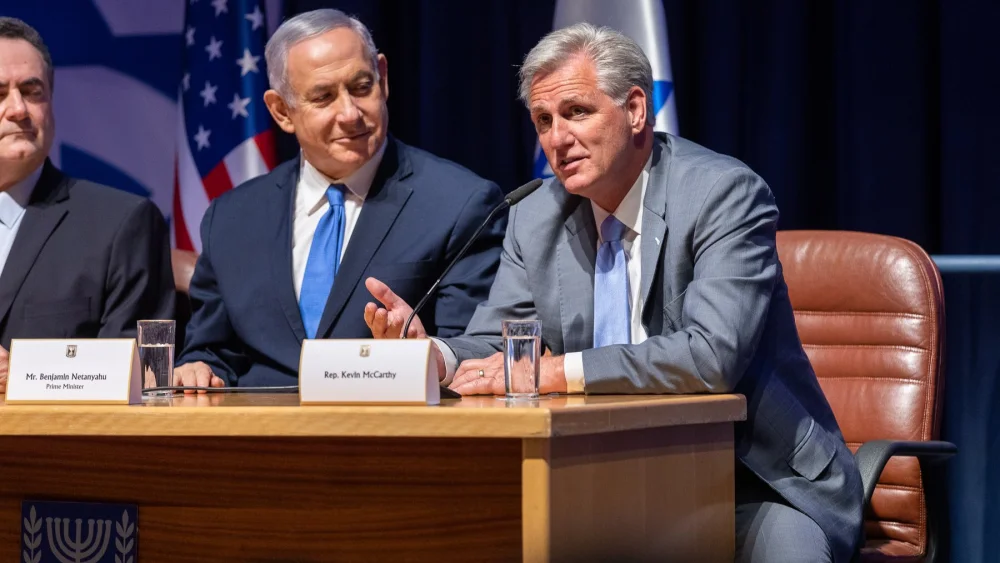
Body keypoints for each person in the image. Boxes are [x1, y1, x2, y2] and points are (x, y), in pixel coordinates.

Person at [365, 23, 863, 563]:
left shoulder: (723, 194)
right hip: (599, 479)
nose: (557, 138)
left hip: (752, 481)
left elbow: (710, 357)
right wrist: (431, 357)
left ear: (634, 110)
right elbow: (497, 341)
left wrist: (557, 372)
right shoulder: (535, 217)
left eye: (577, 112)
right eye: (543, 121)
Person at [174, 9, 505, 389]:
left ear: (383, 76)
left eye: (362, 87)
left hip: (390, 435)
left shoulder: (460, 203)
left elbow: (473, 348)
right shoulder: (231, 217)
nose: (349, 113)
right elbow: (212, 350)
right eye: (324, 97)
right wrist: (199, 366)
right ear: (282, 111)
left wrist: (428, 353)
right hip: (257, 437)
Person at [0, 18, 174, 391]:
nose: (18, 109)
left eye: (32, 92)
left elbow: (151, 374)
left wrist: (27, 376)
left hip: (53, 446)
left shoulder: (123, 223)